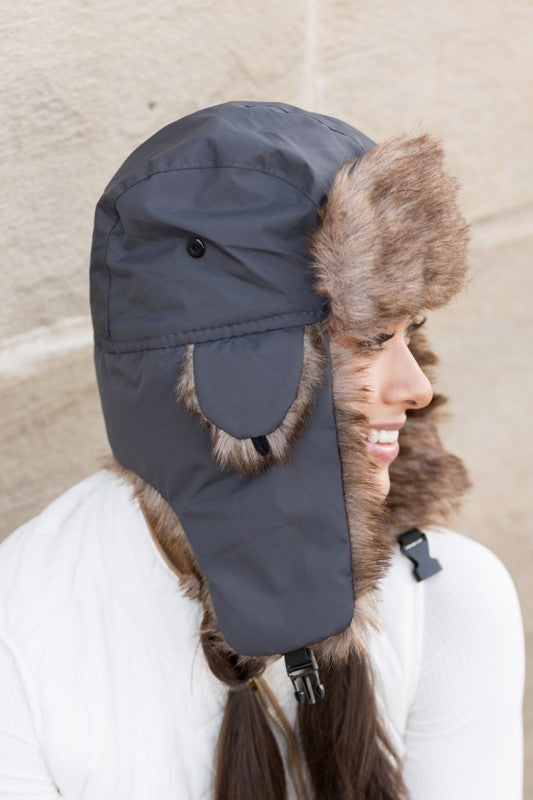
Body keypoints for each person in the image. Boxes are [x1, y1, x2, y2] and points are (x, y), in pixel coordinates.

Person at [0, 101, 525, 800]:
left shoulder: (448, 595)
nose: (417, 387)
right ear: (233, 385)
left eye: (409, 333)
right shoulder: (22, 631)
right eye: (371, 340)